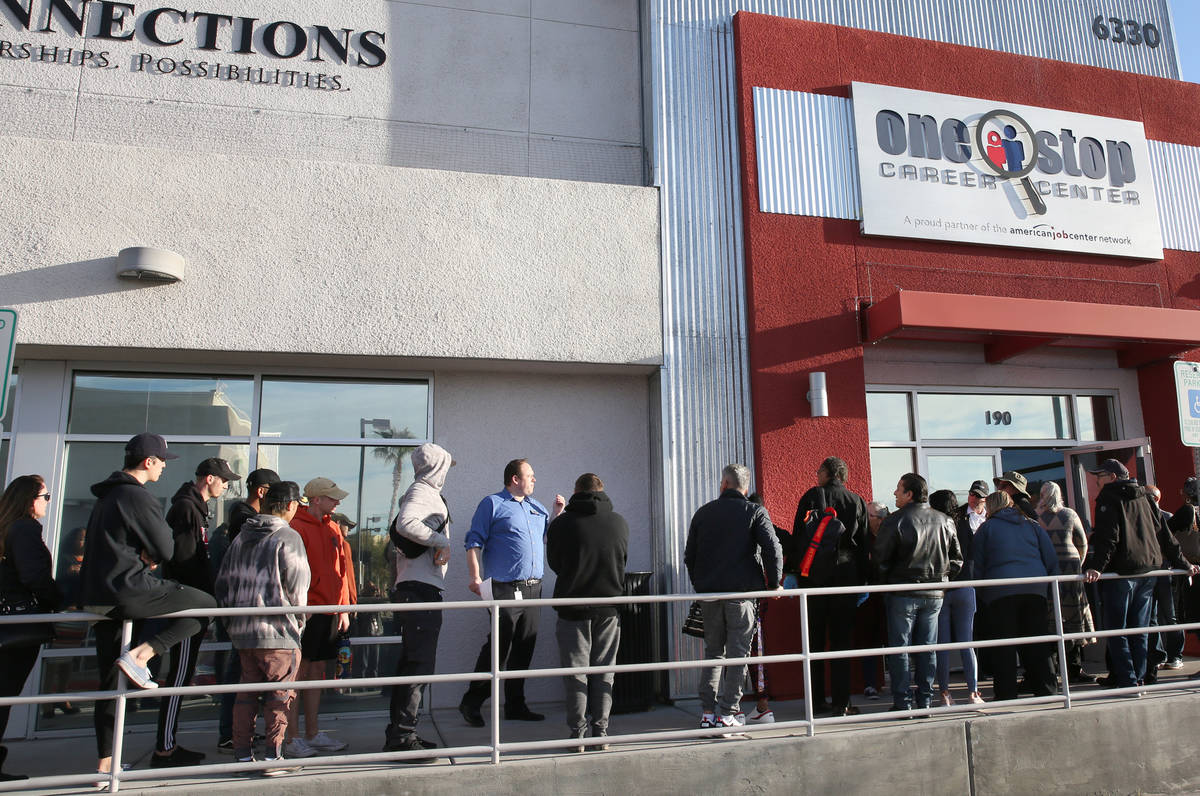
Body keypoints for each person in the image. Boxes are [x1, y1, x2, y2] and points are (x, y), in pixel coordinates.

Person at [80, 433, 218, 778]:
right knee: (205, 605)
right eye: (162, 462)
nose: (164, 468)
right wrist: (150, 553)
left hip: (99, 597)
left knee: (111, 683)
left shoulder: (107, 496)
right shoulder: (136, 495)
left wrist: (146, 551)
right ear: (148, 461)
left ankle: (106, 764)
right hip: (129, 592)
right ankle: (143, 654)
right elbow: (167, 548)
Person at [459, 459, 565, 726]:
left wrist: (556, 515)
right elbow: (473, 541)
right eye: (530, 475)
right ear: (515, 479)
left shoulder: (537, 507)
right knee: (499, 647)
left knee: (524, 646)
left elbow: (545, 538)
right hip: (504, 588)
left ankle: (516, 705)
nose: (534, 479)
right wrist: (474, 576)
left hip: (533, 588)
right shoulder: (492, 504)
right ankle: (472, 702)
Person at [214, 480, 310, 776]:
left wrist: (232, 623)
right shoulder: (288, 536)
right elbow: (297, 587)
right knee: (279, 696)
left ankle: (243, 756)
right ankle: (273, 757)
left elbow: (223, 584)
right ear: (290, 505)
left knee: (245, 696)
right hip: (278, 632)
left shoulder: (241, 537)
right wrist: (299, 622)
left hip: (244, 633)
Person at [154, 457, 241, 767]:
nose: (226, 485)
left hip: (195, 603)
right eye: (223, 479)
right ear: (208, 478)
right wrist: (202, 597)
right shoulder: (187, 508)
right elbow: (184, 560)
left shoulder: (196, 508)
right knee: (179, 676)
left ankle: (168, 745)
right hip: (187, 606)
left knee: (183, 674)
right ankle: (164, 749)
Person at [1084, 460, 1198, 692]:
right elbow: (1165, 535)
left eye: (1100, 477)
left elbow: (1108, 537)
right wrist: (1183, 564)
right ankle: (1140, 679)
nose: (1096, 482)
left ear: (1113, 477)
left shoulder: (1109, 497)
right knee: (1140, 630)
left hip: (1121, 574)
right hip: (1149, 571)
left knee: (1118, 630)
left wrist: (1096, 566)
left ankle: (1128, 681)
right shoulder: (1145, 497)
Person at [684, 464, 782, 731]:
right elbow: (772, 548)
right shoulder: (755, 511)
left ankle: (707, 713)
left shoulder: (703, 513)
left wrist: (701, 585)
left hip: (710, 594)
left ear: (724, 484)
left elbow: (690, 556)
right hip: (742, 594)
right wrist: (774, 584)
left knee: (714, 652)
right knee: (739, 654)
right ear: (746, 488)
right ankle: (728, 713)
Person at [547, 473, 630, 751]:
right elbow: (622, 561)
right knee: (605, 671)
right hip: (609, 608)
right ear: (601, 491)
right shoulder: (619, 523)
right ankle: (601, 732)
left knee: (576, 673)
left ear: (575, 492)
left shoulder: (562, 524)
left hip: (572, 607)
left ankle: (578, 735)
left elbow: (555, 563)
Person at [383, 443, 453, 761]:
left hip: (417, 588)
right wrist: (442, 541)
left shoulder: (422, 491)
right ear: (438, 467)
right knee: (418, 665)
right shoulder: (422, 491)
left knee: (413, 664)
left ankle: (401, 733)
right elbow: (405, 523)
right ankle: (402, 737)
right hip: (420, 590)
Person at [873, 473, 961, 714]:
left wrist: (886, 583)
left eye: (898, 489)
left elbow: (880, 560)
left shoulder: (895, 520)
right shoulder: (945, 521)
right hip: (933, 593)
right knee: (927, 647)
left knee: (900, 649)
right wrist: (942, 579)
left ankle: (903, 702)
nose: (894, 493)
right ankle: (925, 701)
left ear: (909, 494)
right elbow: (957, 560)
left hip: (902, 591)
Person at [790, 457, 869, 717]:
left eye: (819, 471)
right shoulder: (857, 501)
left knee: (813, 643)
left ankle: (816, 702)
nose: (817, 475)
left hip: (813, 580)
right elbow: (863, 545)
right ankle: (841, 702)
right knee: (841, 642)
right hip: (845, 579)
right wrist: (863, 582)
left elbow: (798, 537)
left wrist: (794, 572)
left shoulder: (811, 497)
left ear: (827, 473)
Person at [284, 477, 357, 757]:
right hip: (306, 612)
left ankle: (312, 733)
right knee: (297, 674)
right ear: (315, 499)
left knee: (316, 674)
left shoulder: (333, 527)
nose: (337, 502)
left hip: (329, 612)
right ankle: (292, 737)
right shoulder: (296, 526)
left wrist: (344, 608)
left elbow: (342, 571)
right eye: (331, 497)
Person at [0, 475, 62, 781]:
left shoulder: (7, 528)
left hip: (8, 625)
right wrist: (60, 600)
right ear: (29, 500)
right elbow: (34, 577)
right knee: (5, 695)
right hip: (18, 628)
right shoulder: (25, 528)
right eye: (45, 496)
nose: (48, 502)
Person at [214, 468, 279, 752]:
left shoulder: (244, 517)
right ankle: (231, 734)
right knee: (239, 673)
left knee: (246, 674)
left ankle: (241, 733)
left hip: (246, 606)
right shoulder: (245, 519)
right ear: (262, 492)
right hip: (243, 607)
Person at [974, 491, 1059, 701]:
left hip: (999, 590)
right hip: (1035, 589)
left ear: (990, 507)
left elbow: (978, 563)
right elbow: (1050, 557)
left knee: (1004, 646)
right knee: (1038, 642)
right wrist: (1049, 588)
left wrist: (982, 592)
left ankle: (1006, 693)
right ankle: (1047, 689)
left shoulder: (987, 528)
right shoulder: (1032, 525)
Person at [1036, 481, 1095, 684]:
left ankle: (1051, 671)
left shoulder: (1036, 517)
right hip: (1070, 568)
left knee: (1050, 619)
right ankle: (1074, 668)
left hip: (1047, 570)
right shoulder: (1069, 514)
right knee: (1073, 617)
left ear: (1042, 496)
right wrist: (1078, 563)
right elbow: (1082, 542)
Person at [929, 489, 983, 706]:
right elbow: (972, 555)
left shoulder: (935, 525)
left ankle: (945, 693)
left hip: (942, 588)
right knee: (967, 642)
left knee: (942, 645)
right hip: (965, 586)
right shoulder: (964, 525)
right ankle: (973, 692)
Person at [1144, 484, 1184, 676]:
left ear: (1155, 499)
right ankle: (1158, 655)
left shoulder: (1167, 518)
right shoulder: (1140, 518)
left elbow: (1174, 545)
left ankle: (1176, 655)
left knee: (1170, 615)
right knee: (1151, 616)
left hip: (1165, 572)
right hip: (1150, 572)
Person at [861, 501, 889, 700]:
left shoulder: (890, 535)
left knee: (893, 638)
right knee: (868, 639)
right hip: (868, 595)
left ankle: (899, 683)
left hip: (889, 593)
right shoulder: (862, 537)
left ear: (880, 519)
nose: (866, 518)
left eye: (870, 515)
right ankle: (870, 684)